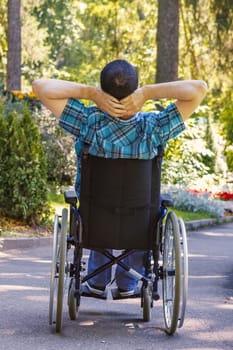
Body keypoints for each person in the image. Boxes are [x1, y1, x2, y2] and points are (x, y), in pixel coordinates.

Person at [32, 59, 207, 299]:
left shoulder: (88, 122)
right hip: (141, 223)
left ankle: (96, 282)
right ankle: (129, 283)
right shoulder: (154, 127)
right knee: (143, 216)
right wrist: (146, 93)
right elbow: (199, 89)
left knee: (97, 211)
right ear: (135, 91)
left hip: (94, 219)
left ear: (104, 91)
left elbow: (40, 86)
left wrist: (91, 94)